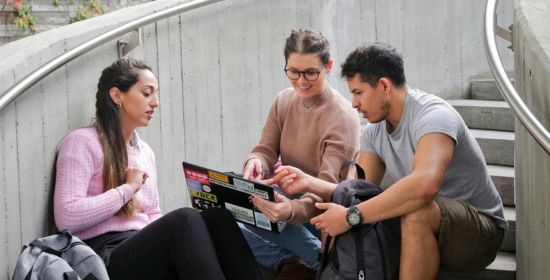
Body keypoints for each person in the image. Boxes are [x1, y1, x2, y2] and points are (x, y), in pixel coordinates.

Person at [269, 42, 507, 280]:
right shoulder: (374, 132)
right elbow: (357, 192)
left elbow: (425, 185)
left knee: (416, 212)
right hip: (424, 230)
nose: (354, 103)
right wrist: (309, 183)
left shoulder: (434, 116)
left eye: (358, 92)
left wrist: (350, 216)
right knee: (351, 203)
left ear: (384, 85)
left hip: (478, 233)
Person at [53, 58, 261, 280]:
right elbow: (67, 217)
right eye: (146, 93)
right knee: (185, 220)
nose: (156, 103)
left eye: (156, 94)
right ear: (117, 96)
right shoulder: (82, 142)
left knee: (218, 219)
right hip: (103, 257)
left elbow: (152, 214)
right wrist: (127, 189)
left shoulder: (144, 152)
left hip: (142, 249)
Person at [241, 28, 361, 278]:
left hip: (320, 215)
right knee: (220, 208)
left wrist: (290, 211)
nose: (301, 81)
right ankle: (287, 260)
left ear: (328, 66)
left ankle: (319, 257)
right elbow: (265, 151)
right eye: (293, 72)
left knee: (262, 211)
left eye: (310, 72)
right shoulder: (284, 101)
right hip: (287, 203)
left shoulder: (342, 117)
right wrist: (256, 163)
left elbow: (329, 188)